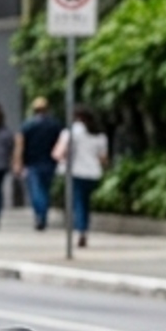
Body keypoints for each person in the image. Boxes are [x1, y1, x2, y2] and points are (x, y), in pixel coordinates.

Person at [52, 105, 110, 247]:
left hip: (76, 172)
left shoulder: (70, 132)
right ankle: (84, 229)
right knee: (85, 202)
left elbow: (58, 153)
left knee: (78, 203)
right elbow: (103, 158)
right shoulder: (99, 135)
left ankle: (80, 230)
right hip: (93, 173)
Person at [19, 96, 63, 231]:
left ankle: (40, 214)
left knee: (36, 191)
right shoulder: (55, 125)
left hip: (32, 163)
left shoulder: (28, 125)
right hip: (50, 162)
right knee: (45, 189)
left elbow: (20, 145)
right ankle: (42, 215)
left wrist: (19, 162)